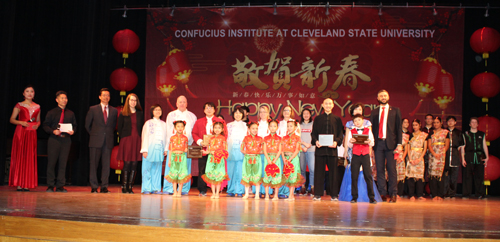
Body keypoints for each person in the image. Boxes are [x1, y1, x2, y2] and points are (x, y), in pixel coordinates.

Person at [370, 89, 402, 203]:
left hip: (391, 145)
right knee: (379, 170)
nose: (383, 97)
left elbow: (398, 128)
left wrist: (399, 144)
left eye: (385, 95)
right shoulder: (374, 112)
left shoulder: (395, 110)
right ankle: (382, 193)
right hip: (378, 144)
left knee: (392, 170)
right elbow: (371, 130)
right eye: (381, 96)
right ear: (378, 98)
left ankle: (393, 194)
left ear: (388, 97)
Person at [42, 90, 77, 193]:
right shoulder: (51, 112)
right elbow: (45, 125)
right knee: (52, 163)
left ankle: (60, 185)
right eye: (62, 98)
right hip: (54, 140)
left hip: (66, 140)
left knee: (63, 163)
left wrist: (73, 131)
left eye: (66, 98)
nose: (64, 100)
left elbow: (75, 125)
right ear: (57, 100)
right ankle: (50, 185)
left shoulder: (70, 113)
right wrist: (53, 131)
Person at [85, 88, 118, 193]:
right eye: (104, 95)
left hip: (108, 141)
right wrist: (95, 135)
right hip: (95, 140)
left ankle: (104, 186)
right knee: (94, 164)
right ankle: (94, 186)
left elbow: (113, 126)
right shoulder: (93, 109)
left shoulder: (114, 110)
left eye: (108, 95)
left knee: (106, 165)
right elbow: (87, 125)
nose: (106, 97)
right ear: (99, 97)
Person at [163, 95, 197, 195]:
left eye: (184, 102)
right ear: (176, 104)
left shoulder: (192, 116)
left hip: (186, 147)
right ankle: (169, 188)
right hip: (173, 147)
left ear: (187, 103)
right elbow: (168, 132)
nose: (182, 104)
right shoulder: (171, 115)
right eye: (180, 102)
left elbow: (193, 132)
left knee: (185, 168)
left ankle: (184, 189)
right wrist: (167, 147)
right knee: (171, 168)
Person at [311, 98, 344, 201]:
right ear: (322, 105)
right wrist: (316, 141)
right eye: (326, 103)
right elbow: (313, 133)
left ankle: (334, 194)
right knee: (319, 172)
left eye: (330, 103)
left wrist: (336, 142)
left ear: (333, 105)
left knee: (334, 173)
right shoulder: (317, 118)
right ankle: (317, 194)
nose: (328, 105)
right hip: (320, 150)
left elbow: (340, 134)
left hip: (332, 150)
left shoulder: (337, 119)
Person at [9, 85, 41, 191]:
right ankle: (19, 183)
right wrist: (21, 122)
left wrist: (37, 125)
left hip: (31, 134)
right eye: (27, 91)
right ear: (23, 94)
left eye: (32, 91)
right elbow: (12, 119)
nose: (30, 93)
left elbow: (38, 120)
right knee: (20, 156)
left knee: (29, 157)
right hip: (21, 132)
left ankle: (27, 183)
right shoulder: (19, 105)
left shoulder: (37, 106)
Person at [192, 102, 226, 196]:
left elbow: (225, 134)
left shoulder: (220, 121)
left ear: (214, 110)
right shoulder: (199, 121)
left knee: (217, 170)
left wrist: (220, 146)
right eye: (207, 108)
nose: (209, 110)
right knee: (202, 170)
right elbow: (194, 133)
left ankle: (215, 192)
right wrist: (199, 141)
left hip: (217, 152)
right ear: (204, 110)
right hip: (204, 149)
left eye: (211, 108)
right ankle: (202, 190)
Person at [117, 93, 144, 194]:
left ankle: (130, 186)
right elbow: (119, 128)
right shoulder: (123, 113)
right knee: (127, 163)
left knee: (134, 163)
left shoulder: (140, 113)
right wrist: (124, 138)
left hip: (137, 140)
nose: (133, 102)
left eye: (135, 100)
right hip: (127, 140)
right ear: (127, 101)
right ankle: (124, 186)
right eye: (131, 100)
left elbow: (141, 127)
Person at [346, 114, 377, 204]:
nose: (357, 122)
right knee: (354, 176)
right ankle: (354, 197)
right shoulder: (352, 131)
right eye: (355, 121)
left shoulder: (368, 130)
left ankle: (371, 197)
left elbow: (373, 143)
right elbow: (349, 145)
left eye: (359, 120)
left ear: (362, 121)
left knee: (368, 176)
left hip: (365, 155)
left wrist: (369, 142)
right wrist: (350, 142)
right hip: (355, 155)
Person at [141, 105, 169, 194]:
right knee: (147, 169)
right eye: (155, 110)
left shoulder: (164, 124)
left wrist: (166, 149)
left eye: (159, 110)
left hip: (159, 149)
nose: (158, 111)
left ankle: (156, 188)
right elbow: (144, 136)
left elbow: (166, 138)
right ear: (152, 112)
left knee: (157, 169)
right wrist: (144, 149)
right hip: (149, 149)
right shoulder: (148, 123)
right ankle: (146, 188)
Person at [461, 117, 489, 199]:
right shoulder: (465, 134)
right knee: (467, 176)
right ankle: (466, 194)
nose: (473, 124)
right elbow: (463, 147)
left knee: (479, 176)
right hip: (469, 156)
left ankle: (480, 193)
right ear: (469, 124)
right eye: (472, 122)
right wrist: (463, 159)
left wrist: (487, 157)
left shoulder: (481, 134)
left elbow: (484, 146)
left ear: (477, 124)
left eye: (475, 122)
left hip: (479, 156)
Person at [202, 122, 229, 199]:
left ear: (222, 129)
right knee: (212, 176)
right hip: (211, 159)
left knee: (218, 176)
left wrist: (217, 153)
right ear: (213, 129)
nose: (217, 129)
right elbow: (209, 149)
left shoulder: (223, 138)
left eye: (219, 128)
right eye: (215, 127)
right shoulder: (211, 139)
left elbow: (225, 150)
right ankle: (213, 193)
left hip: (219, 159)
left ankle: (217, 193)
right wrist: (206, 152)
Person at [165, 120, 191, 197]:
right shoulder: (172, 138)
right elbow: (171, 150)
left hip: (182, 157)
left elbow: (186, 148)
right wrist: (169, 160)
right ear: (175, 127)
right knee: (174, 174)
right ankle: (174, 191)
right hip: (174, 157)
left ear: (184, 128)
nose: (180, 128)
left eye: (182, 126)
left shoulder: (185, 138)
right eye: (178, 126)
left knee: (181, 174)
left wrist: (186, 149)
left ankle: (179, 191)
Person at [282, 120, 306, 201]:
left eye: (291, 126)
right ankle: (291, 195)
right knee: (287, 176)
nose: (289, 128)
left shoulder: (297, 138)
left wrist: (290, 159)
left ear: (295, 127)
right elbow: (281, 149)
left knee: (293, 176)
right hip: (286, 159)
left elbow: (297, 150)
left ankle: (291, 195)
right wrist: (284, 158)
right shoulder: (284, 138)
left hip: (293, 159)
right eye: (288, 126)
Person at [427, 117, 450, 201]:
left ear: (441, 123)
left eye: (437, 122)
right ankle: (434, 194)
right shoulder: (431, 133)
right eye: (434, 123)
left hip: (441, 156)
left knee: (441, 175)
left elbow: (447, 145)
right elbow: (429, 145)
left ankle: (440, 194)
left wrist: (441, 153)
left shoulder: (446, 132)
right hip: (433, 156)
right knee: (432, 176)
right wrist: (434, 154)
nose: (436, 124)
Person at [226, 107, 247, 197]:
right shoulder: (228, 125)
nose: (238, 115)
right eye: (236, 113)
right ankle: (230, 189)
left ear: (243, 115)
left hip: (241, 150)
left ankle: (239, 190)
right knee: (230, 171)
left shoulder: (246, 126)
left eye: (240, 113)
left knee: (240, 170)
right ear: (233, 114)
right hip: (230, 149)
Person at [406, 119, 428, 201]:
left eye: (416, 125)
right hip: (412, 156)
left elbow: (425, 148)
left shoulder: (424, 135)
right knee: (411, 176)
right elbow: (408, 148)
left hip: (420, 157)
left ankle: (420, 195)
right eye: (413, 125)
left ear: (420, 125)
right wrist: (410, 159)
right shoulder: (410, 135)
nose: (414, 127)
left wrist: (419, 159)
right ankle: (411, 194)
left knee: (419, 177)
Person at [241, 122, 263, 199]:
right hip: (248, 158)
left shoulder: (260, 138)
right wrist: (247, 153)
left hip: (257, 158)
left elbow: (263, 149)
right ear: (249, 129)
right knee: (247, 175)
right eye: (253, 128)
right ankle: (246, 194)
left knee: (257, 175)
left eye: (256, 128)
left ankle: (257, 194)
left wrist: (258, 152)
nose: (255, 130)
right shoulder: (246, 138)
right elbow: (241, 149)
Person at [444, 116, 463, 199]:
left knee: (454, 176)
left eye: (452, 121)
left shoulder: (459, 133)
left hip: (455, 155)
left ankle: (452, 193)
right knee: (445, 176)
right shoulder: (444, 132)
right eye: (449, 121)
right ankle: (446, 192)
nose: (450, 122)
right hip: (446, 155)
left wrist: (462, 158)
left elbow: (461, 147)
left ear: (455, 122)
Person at [262, 119, 283, 201]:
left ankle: (275, 195)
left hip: (276, 159)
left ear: (277, 127)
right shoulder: (265, 138)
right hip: (268, 158)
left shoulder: (279, 138)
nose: (273, 128)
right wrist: (268, 159)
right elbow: (264, 150)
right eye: (271, 126)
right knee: (267, 175)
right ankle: (267, 195)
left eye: (274, 126)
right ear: (268, 127)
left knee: (276, 176)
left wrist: (274, 160)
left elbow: (280, 150)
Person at [255, 105, 271, 197]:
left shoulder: (271, 124)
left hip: (268, 152)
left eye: (264, 112)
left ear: (268, 113)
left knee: (267, 171)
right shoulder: (256, 124)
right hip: (257, 152)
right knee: (258, 171)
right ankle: (258, 191)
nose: (262, 114)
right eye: (261, 112)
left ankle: (267, 192)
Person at [299, 109, 315, 196]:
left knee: (312, 169)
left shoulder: (313, 124)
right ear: (302, 115)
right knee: (302, 169)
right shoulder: (299, 125)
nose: (306, 115)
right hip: (302, 149)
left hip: (311, 149)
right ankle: (303, 187)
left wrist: (308, 145)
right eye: (304, 113)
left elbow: (315, 135)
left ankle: (312, 187)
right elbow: (297, 137)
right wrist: (303, 146)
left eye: (307, 113)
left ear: (310, 115)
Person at [396, 118, 410, 199]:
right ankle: (394, 192)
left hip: (402, 156)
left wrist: (403, 157)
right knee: (394, 174)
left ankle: (400, 193)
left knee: (401, 175)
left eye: (407, 122)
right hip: (394, 155)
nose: (406, 124)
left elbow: (407, 147)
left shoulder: (408, 135)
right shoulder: (394, 134)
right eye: (404, 122)